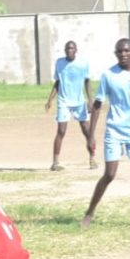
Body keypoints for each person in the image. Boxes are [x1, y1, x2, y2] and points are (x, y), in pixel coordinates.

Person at [81, 38, 130, 231]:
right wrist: (91, 135)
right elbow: (98, 105)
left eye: (126, 51)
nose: (123, 55)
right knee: (109, 174)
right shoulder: (109, 75)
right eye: (119, 52)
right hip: (115, 130)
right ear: (115, 54)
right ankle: (89, 213)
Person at [45, 41, 97, 171]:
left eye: (72, 48)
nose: (69, 50)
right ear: (64, 50)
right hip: (63, 102)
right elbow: (58, 82)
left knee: (87, 130)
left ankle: (92, 159)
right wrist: (50, 99)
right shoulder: (60, 63)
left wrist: (90, 100)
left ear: (76, 50)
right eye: (67, 48)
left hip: (79, 102)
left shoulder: (82, 63)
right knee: (61, 131)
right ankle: (55, 162)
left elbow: (87, 82)